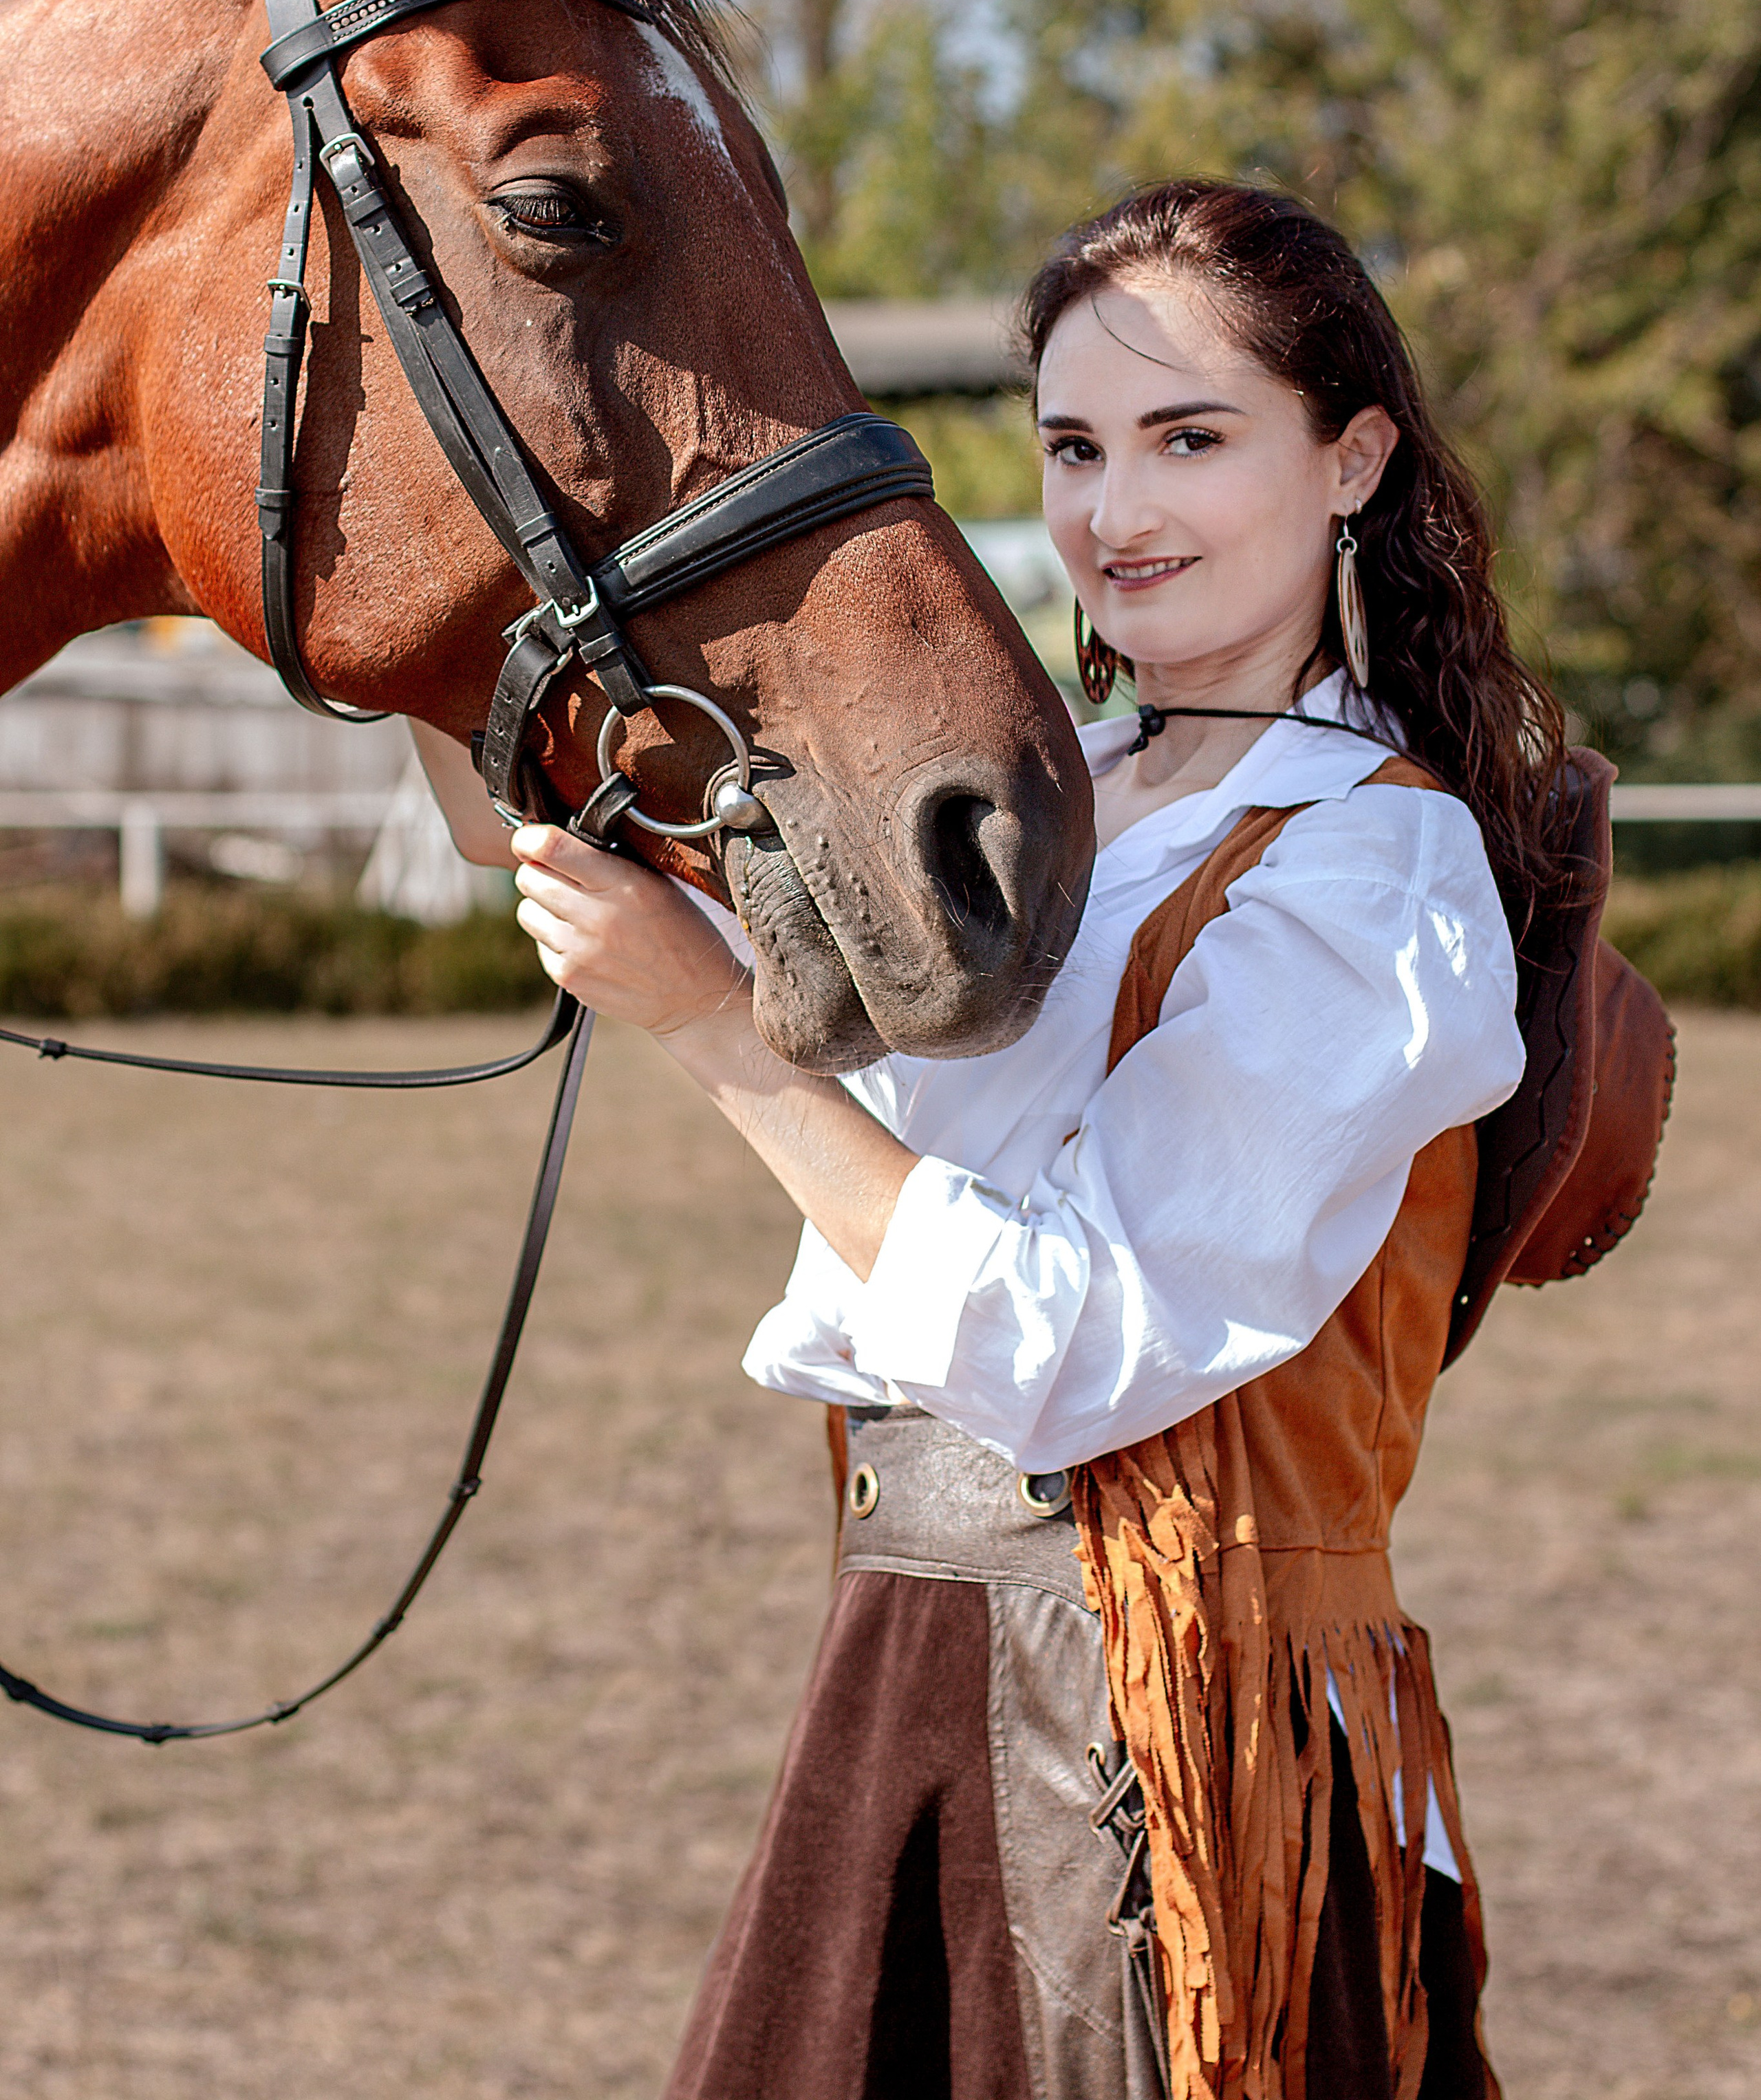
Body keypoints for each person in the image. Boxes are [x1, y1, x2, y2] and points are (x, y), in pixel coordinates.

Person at [422, 180, 1566, 2099]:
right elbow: (508, 820)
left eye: (1191, 440)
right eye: (1075, 448)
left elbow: (1064, 1343)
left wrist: (707, 1020)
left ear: (1352, 456)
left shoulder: (1377, 863)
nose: (1117, 514)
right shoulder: (1035, 799)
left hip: (1156, 1740)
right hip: (909, 1666)